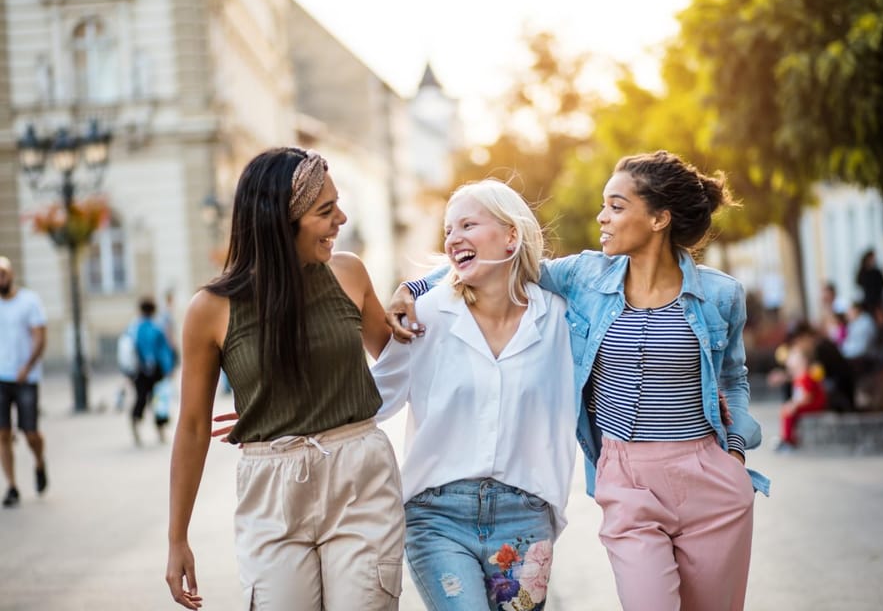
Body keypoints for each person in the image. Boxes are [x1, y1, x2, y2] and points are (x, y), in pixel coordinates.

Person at [390, 150, 768, 611]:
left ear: (658, 219)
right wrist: (414, 288)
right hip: (626, 482)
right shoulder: (586, 277)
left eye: (616, 205)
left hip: (709, 477)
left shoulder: (720, 294)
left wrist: (735, 451)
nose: (600, 216)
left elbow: (733, 376)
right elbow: (499, 261)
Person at [166, 147, 404, 610]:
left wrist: (414, 292)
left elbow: (403, 362)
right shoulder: (210, 310)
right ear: (280, 220)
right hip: (270, 494)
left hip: (360, 480)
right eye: (325, 210)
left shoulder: (349, 274)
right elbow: (193, 426)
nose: (342, 219)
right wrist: (177, 539)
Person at [371, 180, 576, 610]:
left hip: (526, 518)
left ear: (511, 235)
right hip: (437, 516)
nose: (453, 239)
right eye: (448, 230)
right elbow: (370, 398)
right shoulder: (425, 316)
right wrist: (287, 415)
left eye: (467, 224)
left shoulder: (558, 319)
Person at [0, 256, 48, 508]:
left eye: (3, 272)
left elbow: (40, 337)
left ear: (12, 273)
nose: (0, 278)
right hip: (1, 379)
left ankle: (39, 462)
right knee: (3, 433)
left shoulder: (29, 301)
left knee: (30, 433)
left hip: (26, 378)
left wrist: (27, 367)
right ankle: (12, 486)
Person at [127, 297, 177, 445]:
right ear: (154, 310)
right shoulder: (157, 327)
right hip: (157, 372)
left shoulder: (134, 327)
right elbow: (164, 351)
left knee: (141, 399)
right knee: (159, 400)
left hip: (139, 371)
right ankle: (160, 432)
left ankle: (136, 427)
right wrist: (169, 369)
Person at [776, 337, 828, 451]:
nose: (790, 359)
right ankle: (786, 438)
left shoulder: (805, 377)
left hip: (813, 405)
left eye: (794, 356)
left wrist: (794, 404)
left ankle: (788, 440)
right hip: (806, 404)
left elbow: (807, 396)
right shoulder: (799, 376)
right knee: (787, 410)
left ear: (803, 360)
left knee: (788, 411)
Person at [855, 248, 883, 323]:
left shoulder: (876, 272)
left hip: (877, 300)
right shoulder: (863, 272)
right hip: (868, 301)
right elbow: (858, 282)